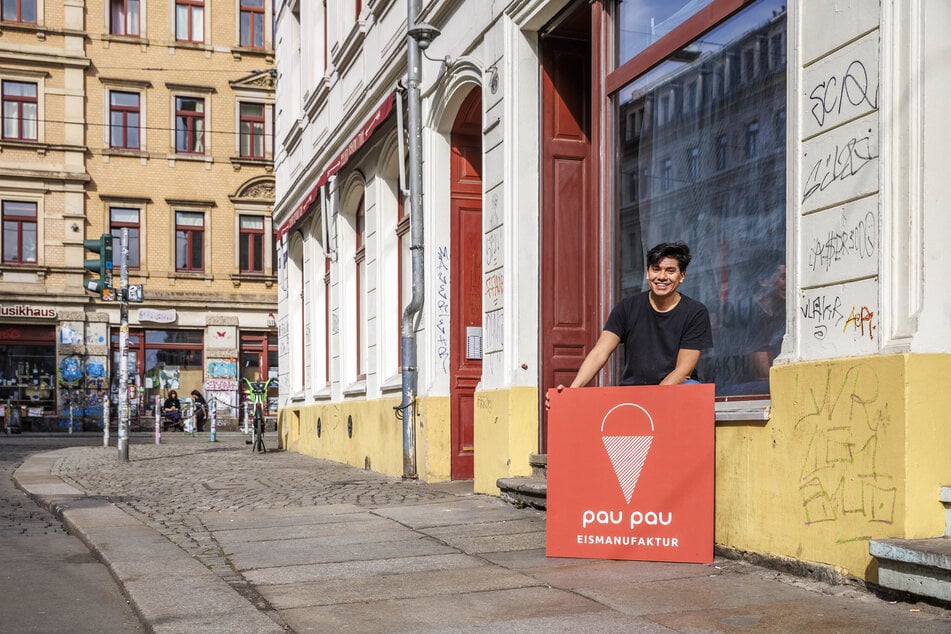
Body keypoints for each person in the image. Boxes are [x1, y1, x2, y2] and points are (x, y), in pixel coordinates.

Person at [550, 241, 713, 402]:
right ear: (648, 273)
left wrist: (653, 400)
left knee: (691, 387)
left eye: (670, 271)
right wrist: (572, 392)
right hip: (634, 390)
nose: (662, 277)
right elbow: (600, 352)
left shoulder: (695, 312)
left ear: (682, 276)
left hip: (674, 390)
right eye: (656, 269)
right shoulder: (627, 307)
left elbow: (683, 371)